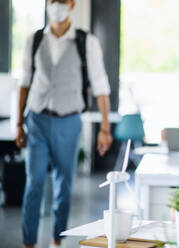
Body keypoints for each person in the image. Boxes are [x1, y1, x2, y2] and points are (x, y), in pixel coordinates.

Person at [15, 1, 112, 247]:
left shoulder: (85, 42)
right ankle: (28, 242)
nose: (56, 6)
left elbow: (101, 86)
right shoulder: (35, 39)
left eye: (62, 1)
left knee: (64, 184)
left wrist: (104, 128)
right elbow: (25, 82)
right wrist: (18, 123)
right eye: (52, 1)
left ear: (71, 5)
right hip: (37, 119)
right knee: (34, 182)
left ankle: (57, 240)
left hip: (69, 120)